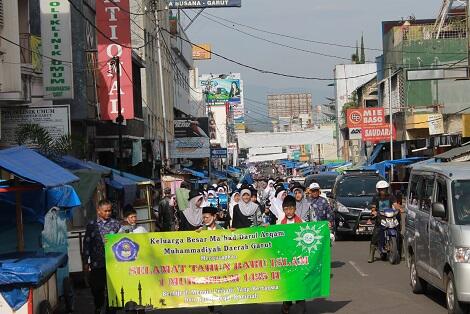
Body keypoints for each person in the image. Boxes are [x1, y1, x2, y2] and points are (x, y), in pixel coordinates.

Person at [82, 200, 121, 314]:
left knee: (112, 288)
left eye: (110, 210)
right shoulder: (91, 225)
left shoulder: (116, 224)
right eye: (105, 211)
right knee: (97, 288)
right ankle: (98, 307)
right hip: (97, 263)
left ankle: (111, 308)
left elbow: (123, 240)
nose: (108, 213)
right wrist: (85, 262)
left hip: (113, 263)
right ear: (99, 211)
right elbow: (87, 243)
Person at [280, 195, 306, 314]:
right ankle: (286, 306)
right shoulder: (280, 223)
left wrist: (326, 227)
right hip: (286, 261)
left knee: (299, 288)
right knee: (288, 288)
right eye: (286, 209)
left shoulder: (302, 223)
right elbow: (272, 236)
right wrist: (266, 228)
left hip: (299, 260)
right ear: (283, 209)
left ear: (295, 209)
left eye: (291, 208)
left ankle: (301, 308)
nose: (288, 211)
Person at [368, 180, 401, 263]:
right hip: (380, 218)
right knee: (376, 234)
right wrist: (374, 211)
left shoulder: (391, 196)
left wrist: (399, 209)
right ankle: (371, 254)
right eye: (381, 189)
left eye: (384, 189)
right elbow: (373, 207)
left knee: (398, 231)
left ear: (387, 189)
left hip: (390, 216)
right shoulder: (376, 197)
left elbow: (395, 204)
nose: (383, 191)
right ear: (378, 190)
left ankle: (398, 251)